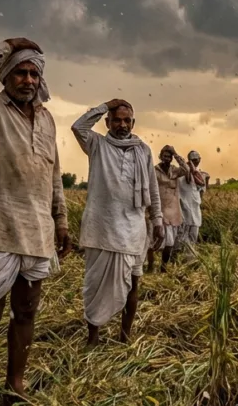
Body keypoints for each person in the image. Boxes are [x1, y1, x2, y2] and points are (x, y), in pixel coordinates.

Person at [0, 38, 71, 406]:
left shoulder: (47, 119)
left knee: (26, 311)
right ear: (6, 76)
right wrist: (6, 46)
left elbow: (53, 174)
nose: (28, 79)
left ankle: (16, 383)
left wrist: (62, 220)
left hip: (37, 228)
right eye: (20, 72)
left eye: (34, 73)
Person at [71, 99, 164, 347]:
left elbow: (153, 189)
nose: (122, 125)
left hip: (134, 229)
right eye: (117, 120)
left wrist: (157, 220)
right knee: (94, 285)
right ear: (107, 122)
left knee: (133, 283)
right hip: (100, 229)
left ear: (133, 122)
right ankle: (93, 338)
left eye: (127, 120)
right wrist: (103, 105)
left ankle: (125, 337)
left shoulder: (143, 150)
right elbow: (78, 127)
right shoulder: (97, 144)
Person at [149, 145, 189, 273]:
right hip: (158, 209)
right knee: (152, 240)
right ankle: (150, 265)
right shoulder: (154, 171)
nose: (167, 159)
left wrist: (175, 153)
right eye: (165, 156)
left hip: (172, 211)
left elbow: (187, 170)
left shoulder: (174, 170)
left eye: (169, 157)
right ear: (160, 157)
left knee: (169, 242)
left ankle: (163, 267)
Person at [177, 150, 207, 255]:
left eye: (197, 159)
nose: (195, 161)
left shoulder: (200, 175)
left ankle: (189, 256)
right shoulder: (181, 174)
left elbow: (201, 191)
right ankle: (187, 257)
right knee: (183, 235)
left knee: (194, 234)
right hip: (184, 209)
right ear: (188, 160)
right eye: (192, 160)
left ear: (200, 159)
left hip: (195, 209)